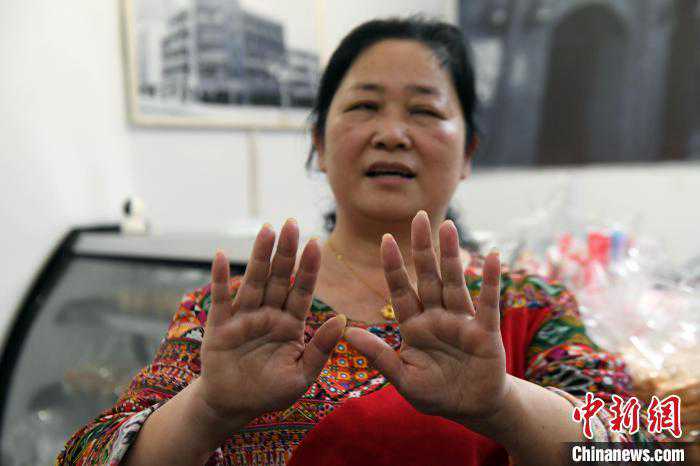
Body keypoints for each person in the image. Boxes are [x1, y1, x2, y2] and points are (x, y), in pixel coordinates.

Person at [57, 17, 661, 466]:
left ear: (468, 153)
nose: (391, 133)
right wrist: (209, 407)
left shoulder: (529, 305)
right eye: (365, 106)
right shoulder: (236, 314)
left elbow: (642, 447)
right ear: (319, 145)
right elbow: (88, 455)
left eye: (425, 111)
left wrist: (503, 403)